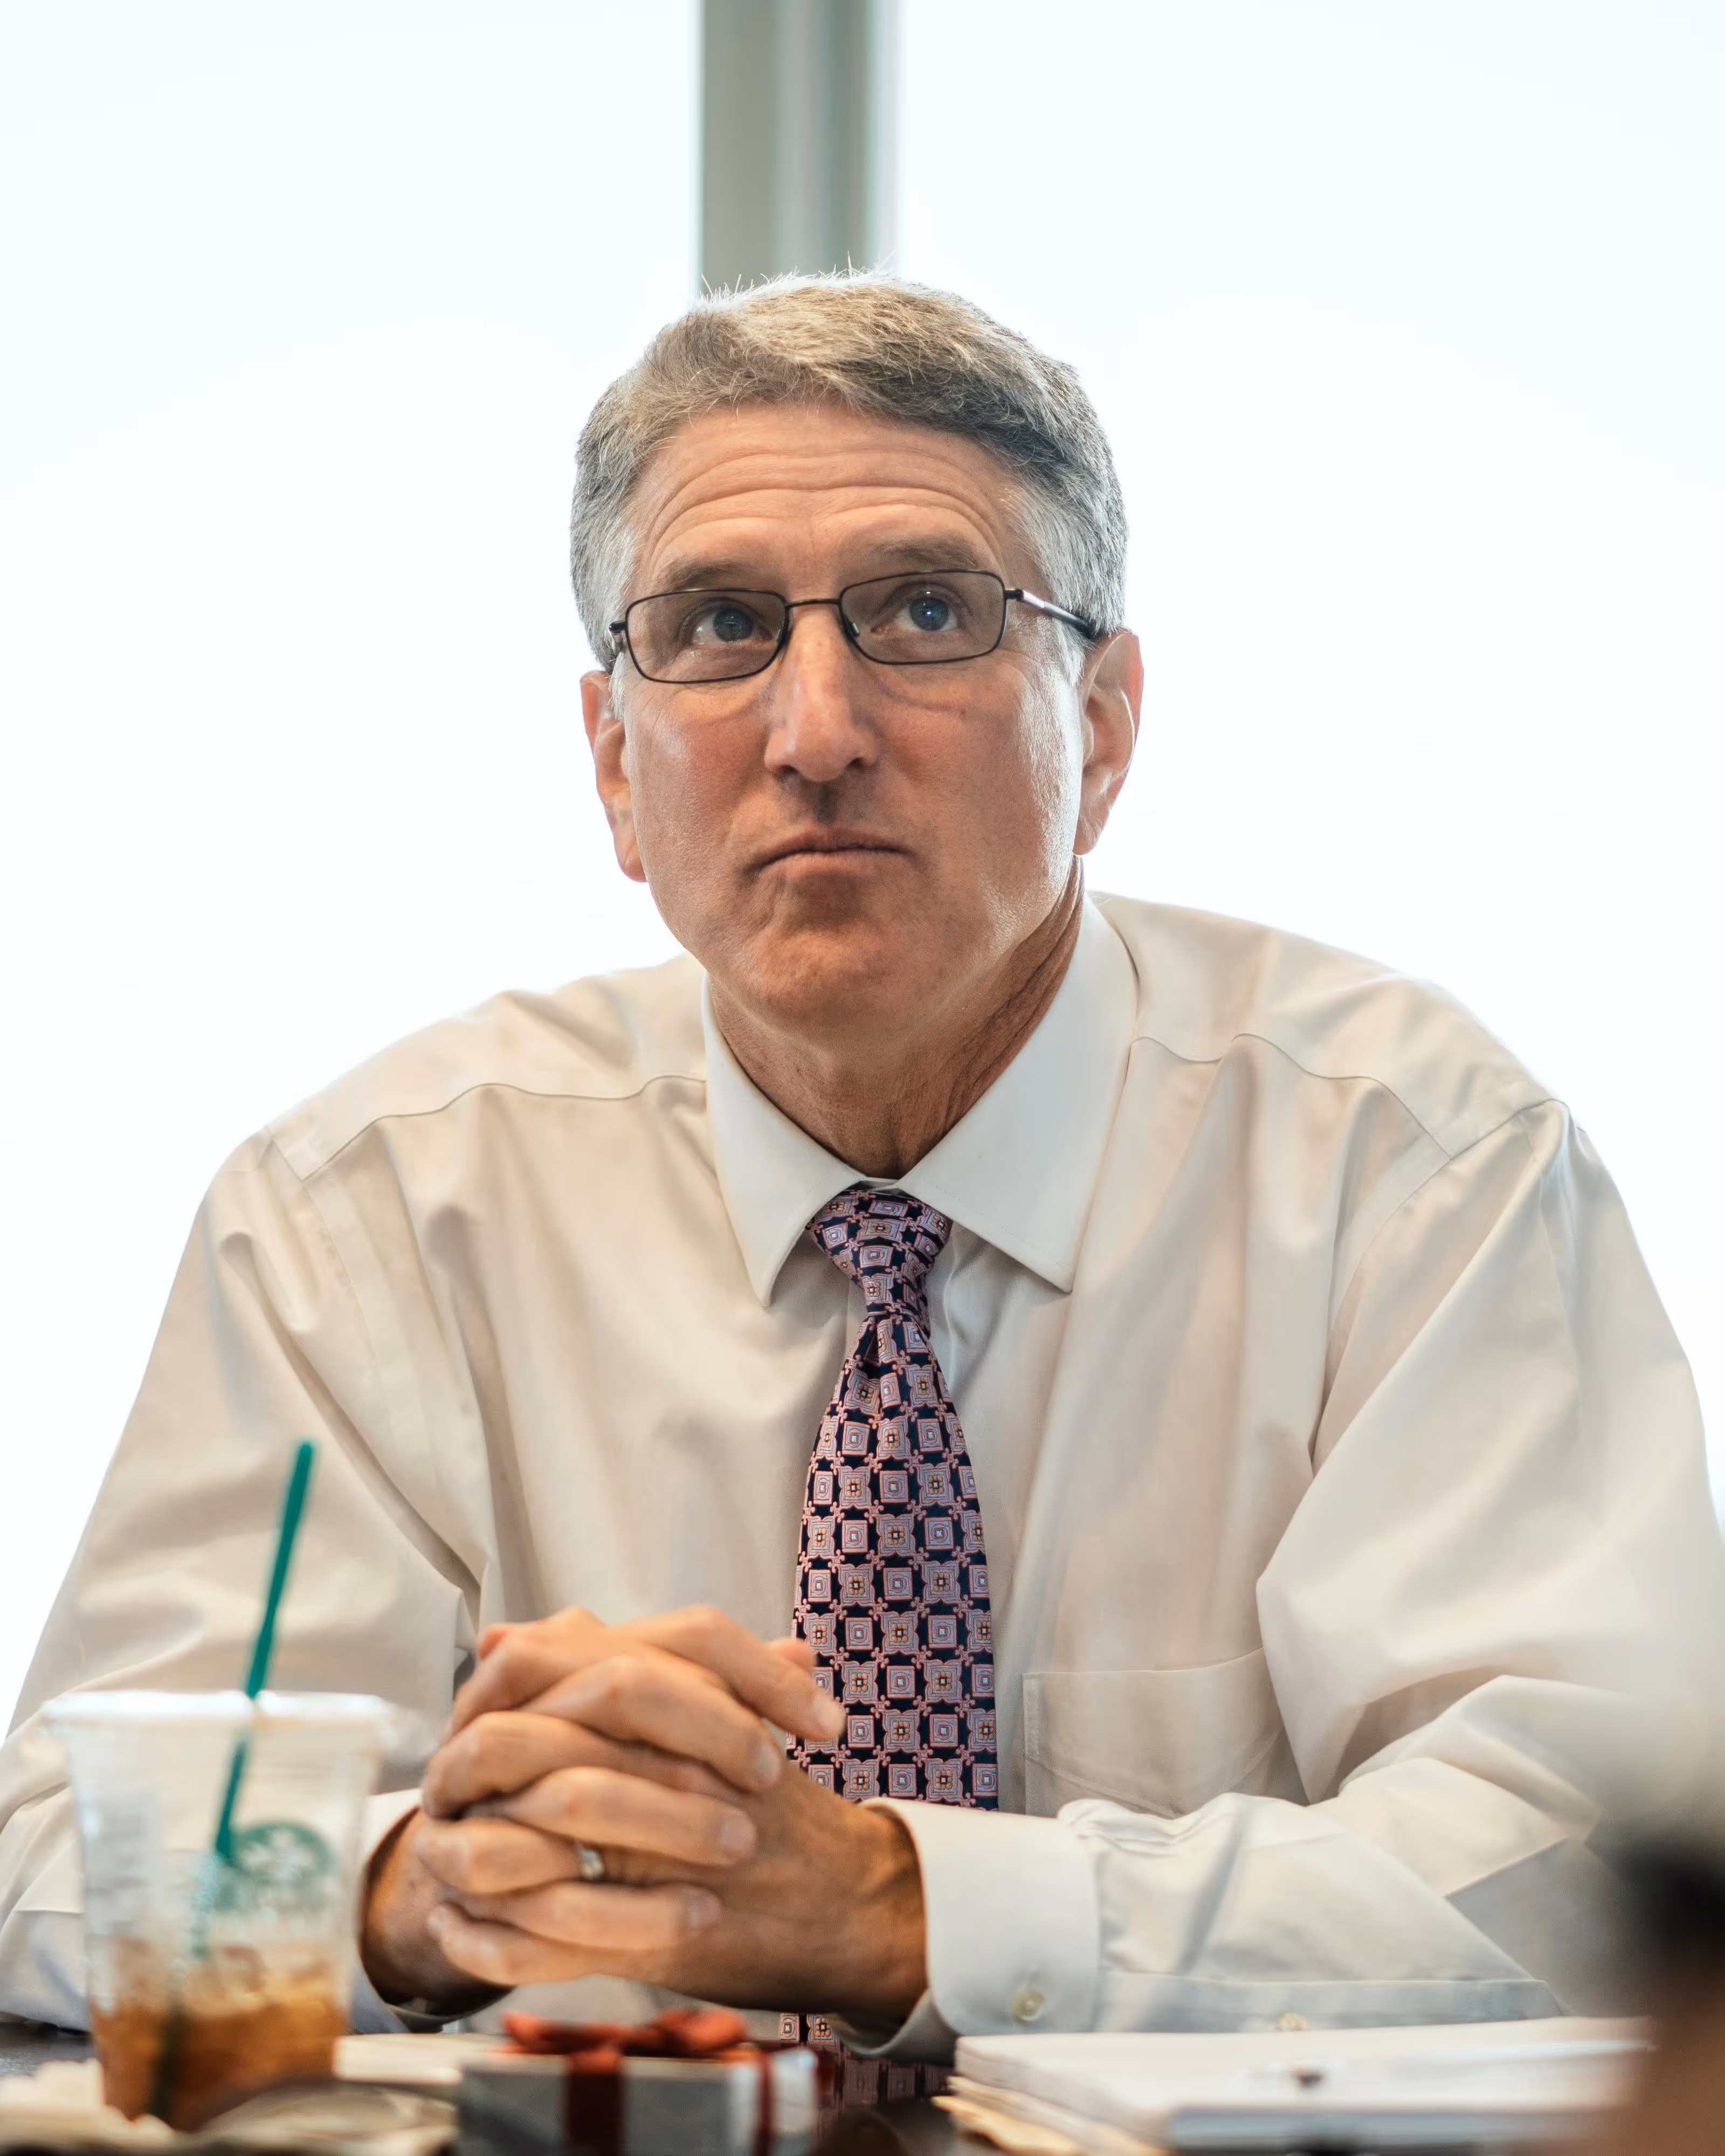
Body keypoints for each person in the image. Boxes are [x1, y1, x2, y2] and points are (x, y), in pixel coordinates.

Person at [2, 276, 1720, 2064]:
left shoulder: (1417, 1165)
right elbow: (65, 1844)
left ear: (1106, 726)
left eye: (923, 611)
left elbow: (1596, 1866)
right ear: (613, 763)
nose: (813, 729)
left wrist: (896, 1902)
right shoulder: (363, 1217)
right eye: (723, 626)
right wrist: (404, 1899)